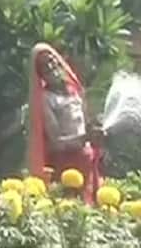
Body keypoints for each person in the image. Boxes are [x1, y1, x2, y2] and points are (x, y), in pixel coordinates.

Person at [28, 43, 104, 204]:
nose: (51, 66)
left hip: (87, 164)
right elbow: (56, 143)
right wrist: (84, 138)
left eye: (53, 60)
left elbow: (88, 126)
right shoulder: (46, 99)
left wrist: (97, 131)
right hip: (66, 168)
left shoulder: (75, 91)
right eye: (44, 66)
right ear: (40, 75)